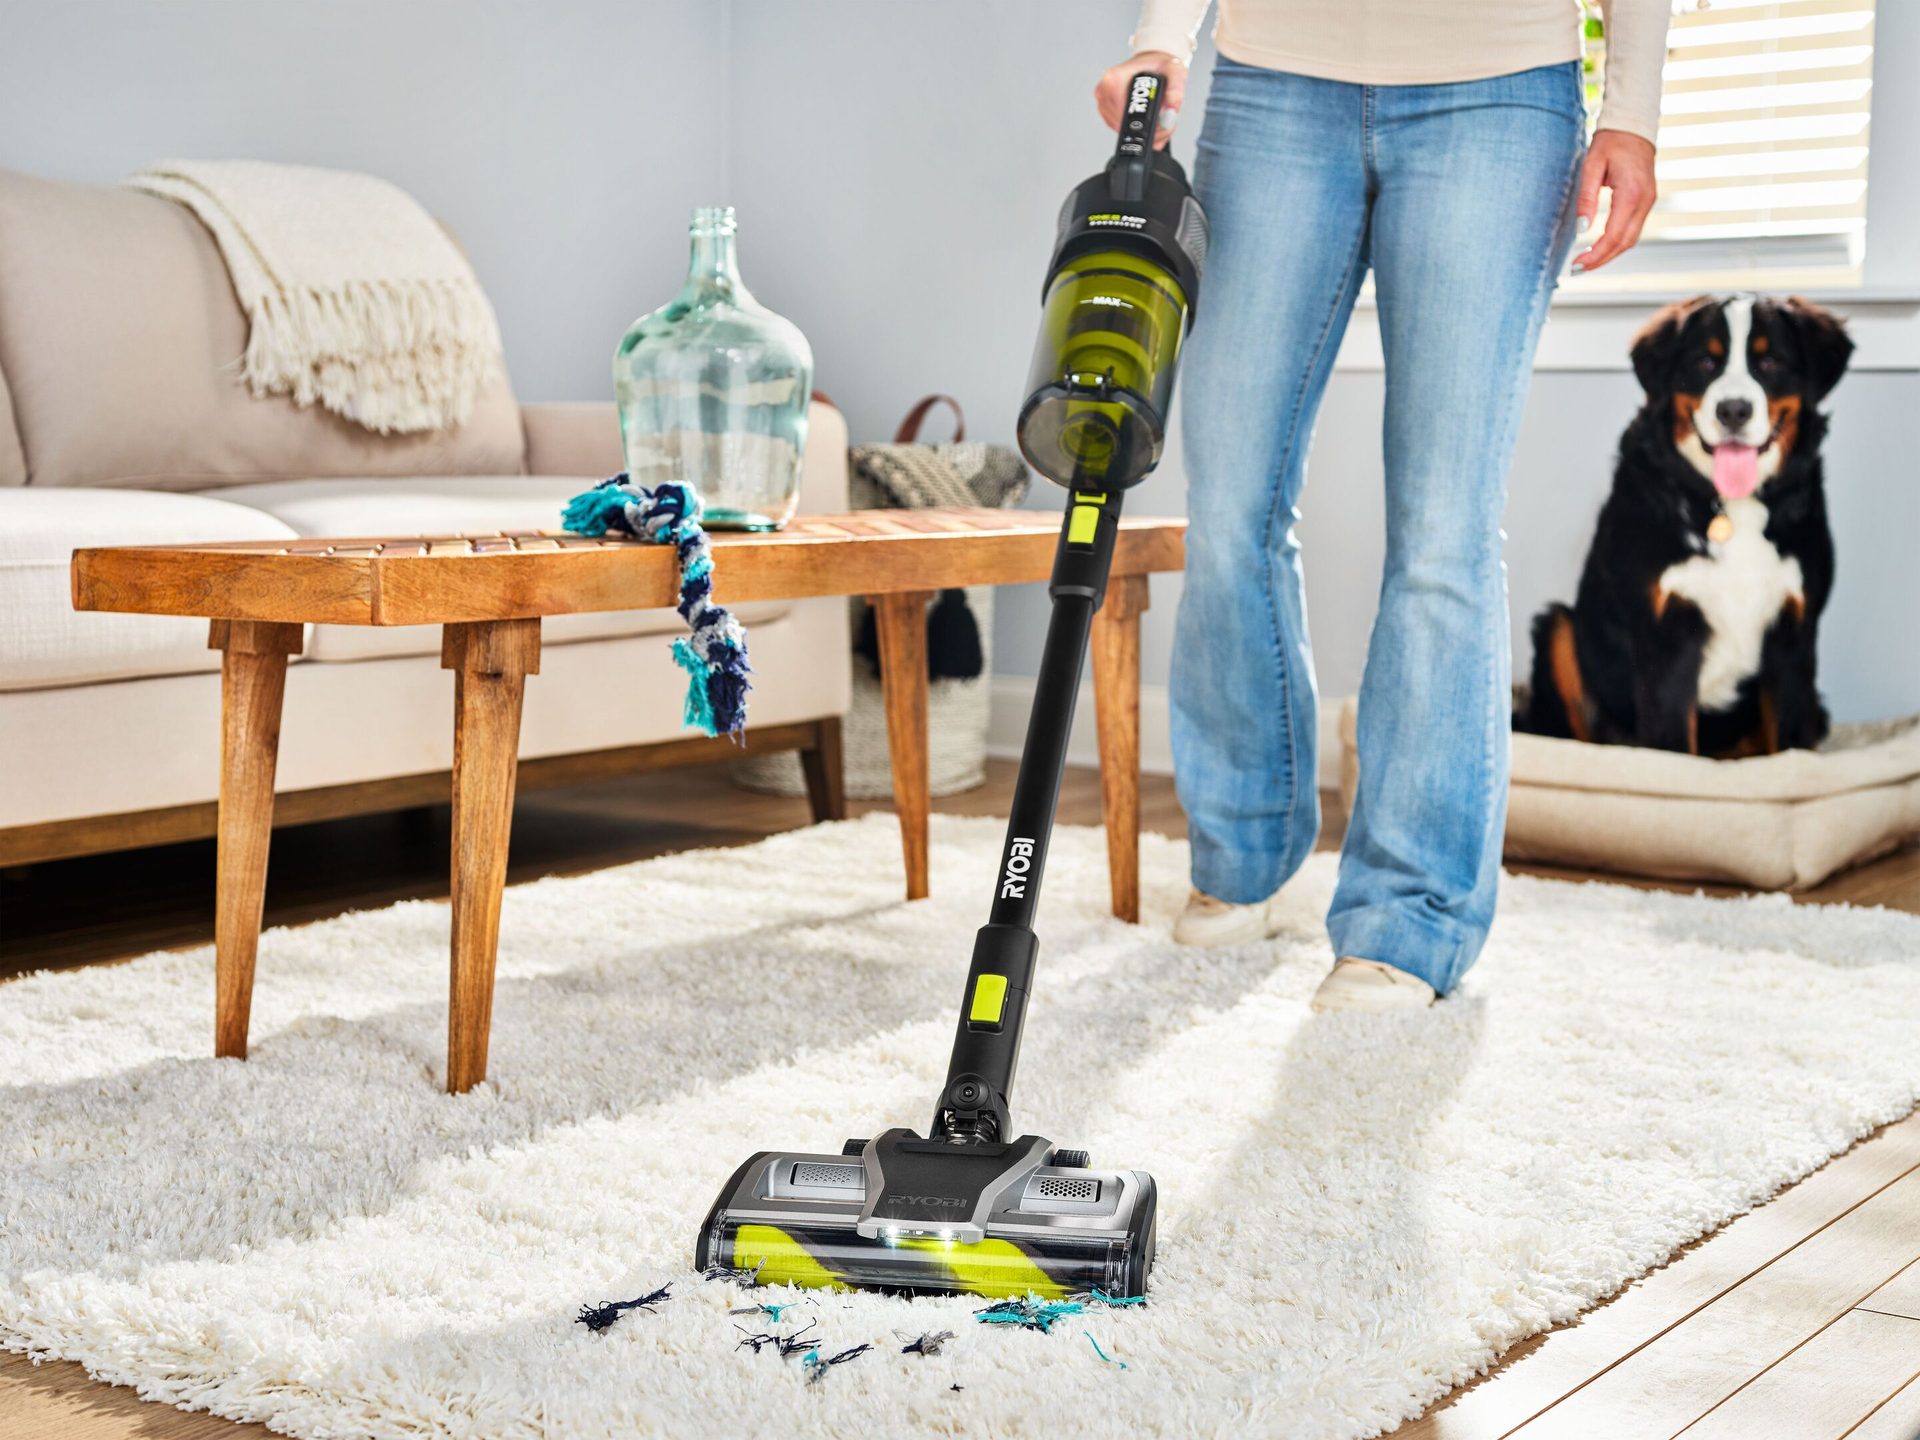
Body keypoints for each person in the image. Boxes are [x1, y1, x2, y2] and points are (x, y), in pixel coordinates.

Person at [1097, 0, 1668, 1011]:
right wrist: (1159, 39)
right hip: (1273, 82)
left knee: (1444, 528)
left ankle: (1410, 917)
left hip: (1498, 92)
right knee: (1227, 506)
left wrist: (1632, 110)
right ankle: (1241, 860)